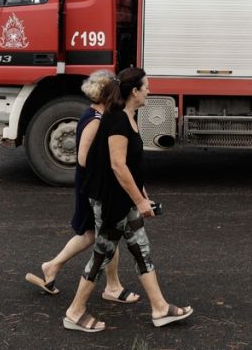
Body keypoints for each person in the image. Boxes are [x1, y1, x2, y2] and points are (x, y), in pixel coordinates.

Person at [62, 67, 193, 333]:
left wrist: (142, 195)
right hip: (113, 202)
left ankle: (159, 308)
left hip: (126, 200)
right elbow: (118, 166)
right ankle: (74, 312)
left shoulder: (129, 116)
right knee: (101, 256)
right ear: (134, 91)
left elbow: (131, 166)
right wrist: (140, 201)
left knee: (141, 250)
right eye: (146, 86)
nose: (149, 90)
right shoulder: (117, 120)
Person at [24, 71, 139, 304]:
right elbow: (84, 158)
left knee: (91, 234)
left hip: (92, 185)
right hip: (91, 187)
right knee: (104, 232)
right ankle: (112, 287)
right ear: (106, 95)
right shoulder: (95, 121)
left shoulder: (97, 115)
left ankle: (52, 267)